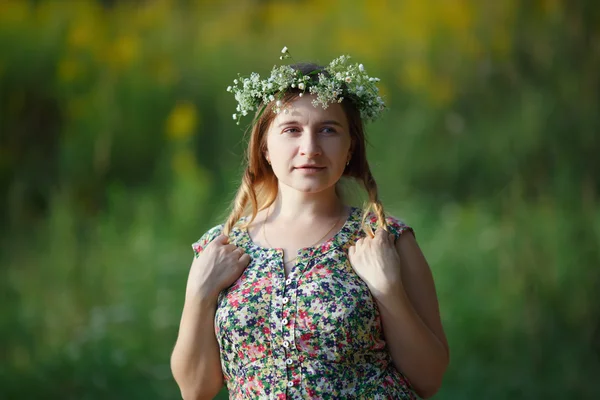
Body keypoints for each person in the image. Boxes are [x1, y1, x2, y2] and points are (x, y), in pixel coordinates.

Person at [170, 48, 449, 400]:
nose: (310, 147)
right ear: (265, 148)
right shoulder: (221, 248)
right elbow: (195, 390)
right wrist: (199, 294)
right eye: (291, 129)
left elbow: (429, 380)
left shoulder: (385, 240)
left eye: (328, 130)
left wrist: (388, 290)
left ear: (350, 148)